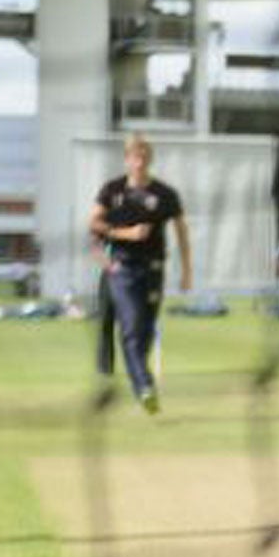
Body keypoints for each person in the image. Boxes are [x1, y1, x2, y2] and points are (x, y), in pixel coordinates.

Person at [89, 133, 191, 412]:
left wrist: (187, 270)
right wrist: (127, 234)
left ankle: (140, 386)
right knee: (132, 328)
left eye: (145, 156)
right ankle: (146, 387)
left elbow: (181, 230)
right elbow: (94, 223)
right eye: (135, 156)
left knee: (144, 331)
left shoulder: (164, 194)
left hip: (154, 270)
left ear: (150, 158)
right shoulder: (112, 190)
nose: (140, 161)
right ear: (127, 159)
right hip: (122, 268)